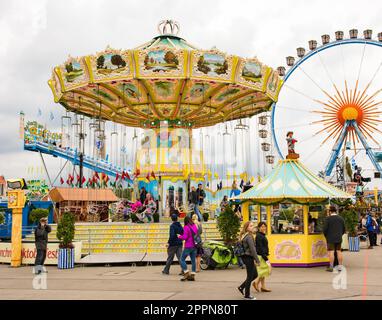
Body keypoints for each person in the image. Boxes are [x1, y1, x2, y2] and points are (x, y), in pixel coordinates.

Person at [237, 221, 260, 300]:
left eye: (253, 225)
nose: (252, 227)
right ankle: (247, 295)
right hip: (248, 258)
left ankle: (241, 287)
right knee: (250, 276)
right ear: (247, 228)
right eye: (250, 226)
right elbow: (253, 250)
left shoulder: (244, 235)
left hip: (246, 257)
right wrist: (257, 260)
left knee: (255, 275)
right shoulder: (249, 236)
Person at [323, 206, 346, 272]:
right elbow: (344, 229)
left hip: (330, 238)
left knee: (331, 252)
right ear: (335, 211)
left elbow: (325, 229)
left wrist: (326, 236)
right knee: (339, 251)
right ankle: (340, 267)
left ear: (330, 211)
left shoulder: (328, 219)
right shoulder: (341, 218)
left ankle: (331, 267)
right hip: (339, 237)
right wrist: (340, 234)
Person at [177, 216, 198, 281]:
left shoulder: (186, 227)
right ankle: (193, 275)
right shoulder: (194, 226)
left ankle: (186, 272)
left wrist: (179, 236)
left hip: (188, 246)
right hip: (194, 246)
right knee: (193, 260)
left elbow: (185, 237)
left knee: (182, 259)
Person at [253, 222, 272, 293]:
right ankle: (256, 282)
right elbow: (260, 249)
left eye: (264, 226)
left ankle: (263, 287)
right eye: (262, 227)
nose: (263, 228)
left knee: (263, 272)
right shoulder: (259, 236)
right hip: (261, 256)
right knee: (264, 271)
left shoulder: (262, 235)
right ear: (258, 228)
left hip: (262, 255)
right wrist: (266, 259)